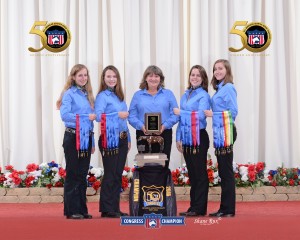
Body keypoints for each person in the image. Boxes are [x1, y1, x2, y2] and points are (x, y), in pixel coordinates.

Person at [57, 64, 96, 220]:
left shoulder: (87, 94)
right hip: (73, 137)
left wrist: (92, 141)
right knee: (73, 173)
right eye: (80, 75)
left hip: (86, 137)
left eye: (85, 75)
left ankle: (81, 208)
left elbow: (91, 122)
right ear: (73, 77)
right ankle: (71, 210)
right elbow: (65, 115)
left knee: (82, 174)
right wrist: (86, 118)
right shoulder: (68, 94)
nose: (83, 78)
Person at [174, 65, 210, 217]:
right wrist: (178, 137)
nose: (194, 77)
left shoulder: (204, 95)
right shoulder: (186, 94)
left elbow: (201, 116)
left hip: (199, 137)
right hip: (187, 137)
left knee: (200, 174)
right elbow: (181, 120)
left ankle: (200, 208)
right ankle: (193, 206)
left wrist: (181, 112)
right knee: (193, 174)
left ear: (203, 79)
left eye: (198, 75)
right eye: (192, 74)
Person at [95, 65, 131, 218]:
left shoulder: (119, 96)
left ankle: (114, 207)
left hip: (122, 138)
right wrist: (117, 114)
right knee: (110, 173)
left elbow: (125, 120)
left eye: (114, 76)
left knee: (117, 174)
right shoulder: (102, 96)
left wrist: (128, 138)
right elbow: (98, 116)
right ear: (104, 79)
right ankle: (107, 208)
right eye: (108, 76)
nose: (111, 79)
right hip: (109, 138)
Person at [204, 59, 238, 217]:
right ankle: (224, 208)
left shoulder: (229, 88)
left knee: (226, 172)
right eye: (215, 69)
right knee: (223, 172)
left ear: (227, 70)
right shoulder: (219, 89)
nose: (217, 71)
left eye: (220, 68)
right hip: (219, 132)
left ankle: (228, 209)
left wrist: (214, 115)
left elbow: (233, 112)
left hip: (226, 131)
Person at [128, 65, 179, 168]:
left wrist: (164, 126)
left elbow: (175, 114)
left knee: (163, 165)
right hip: (143, 134)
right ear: (145, 78)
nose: (153, 79)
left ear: (161, 79)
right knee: (145, 165)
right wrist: (141, 126)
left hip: (164, 134)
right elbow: (131, 116)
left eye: (156, 76)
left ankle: (162, 184)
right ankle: (146, 184)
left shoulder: (168, 94)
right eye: (150, 76)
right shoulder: (137, 95)